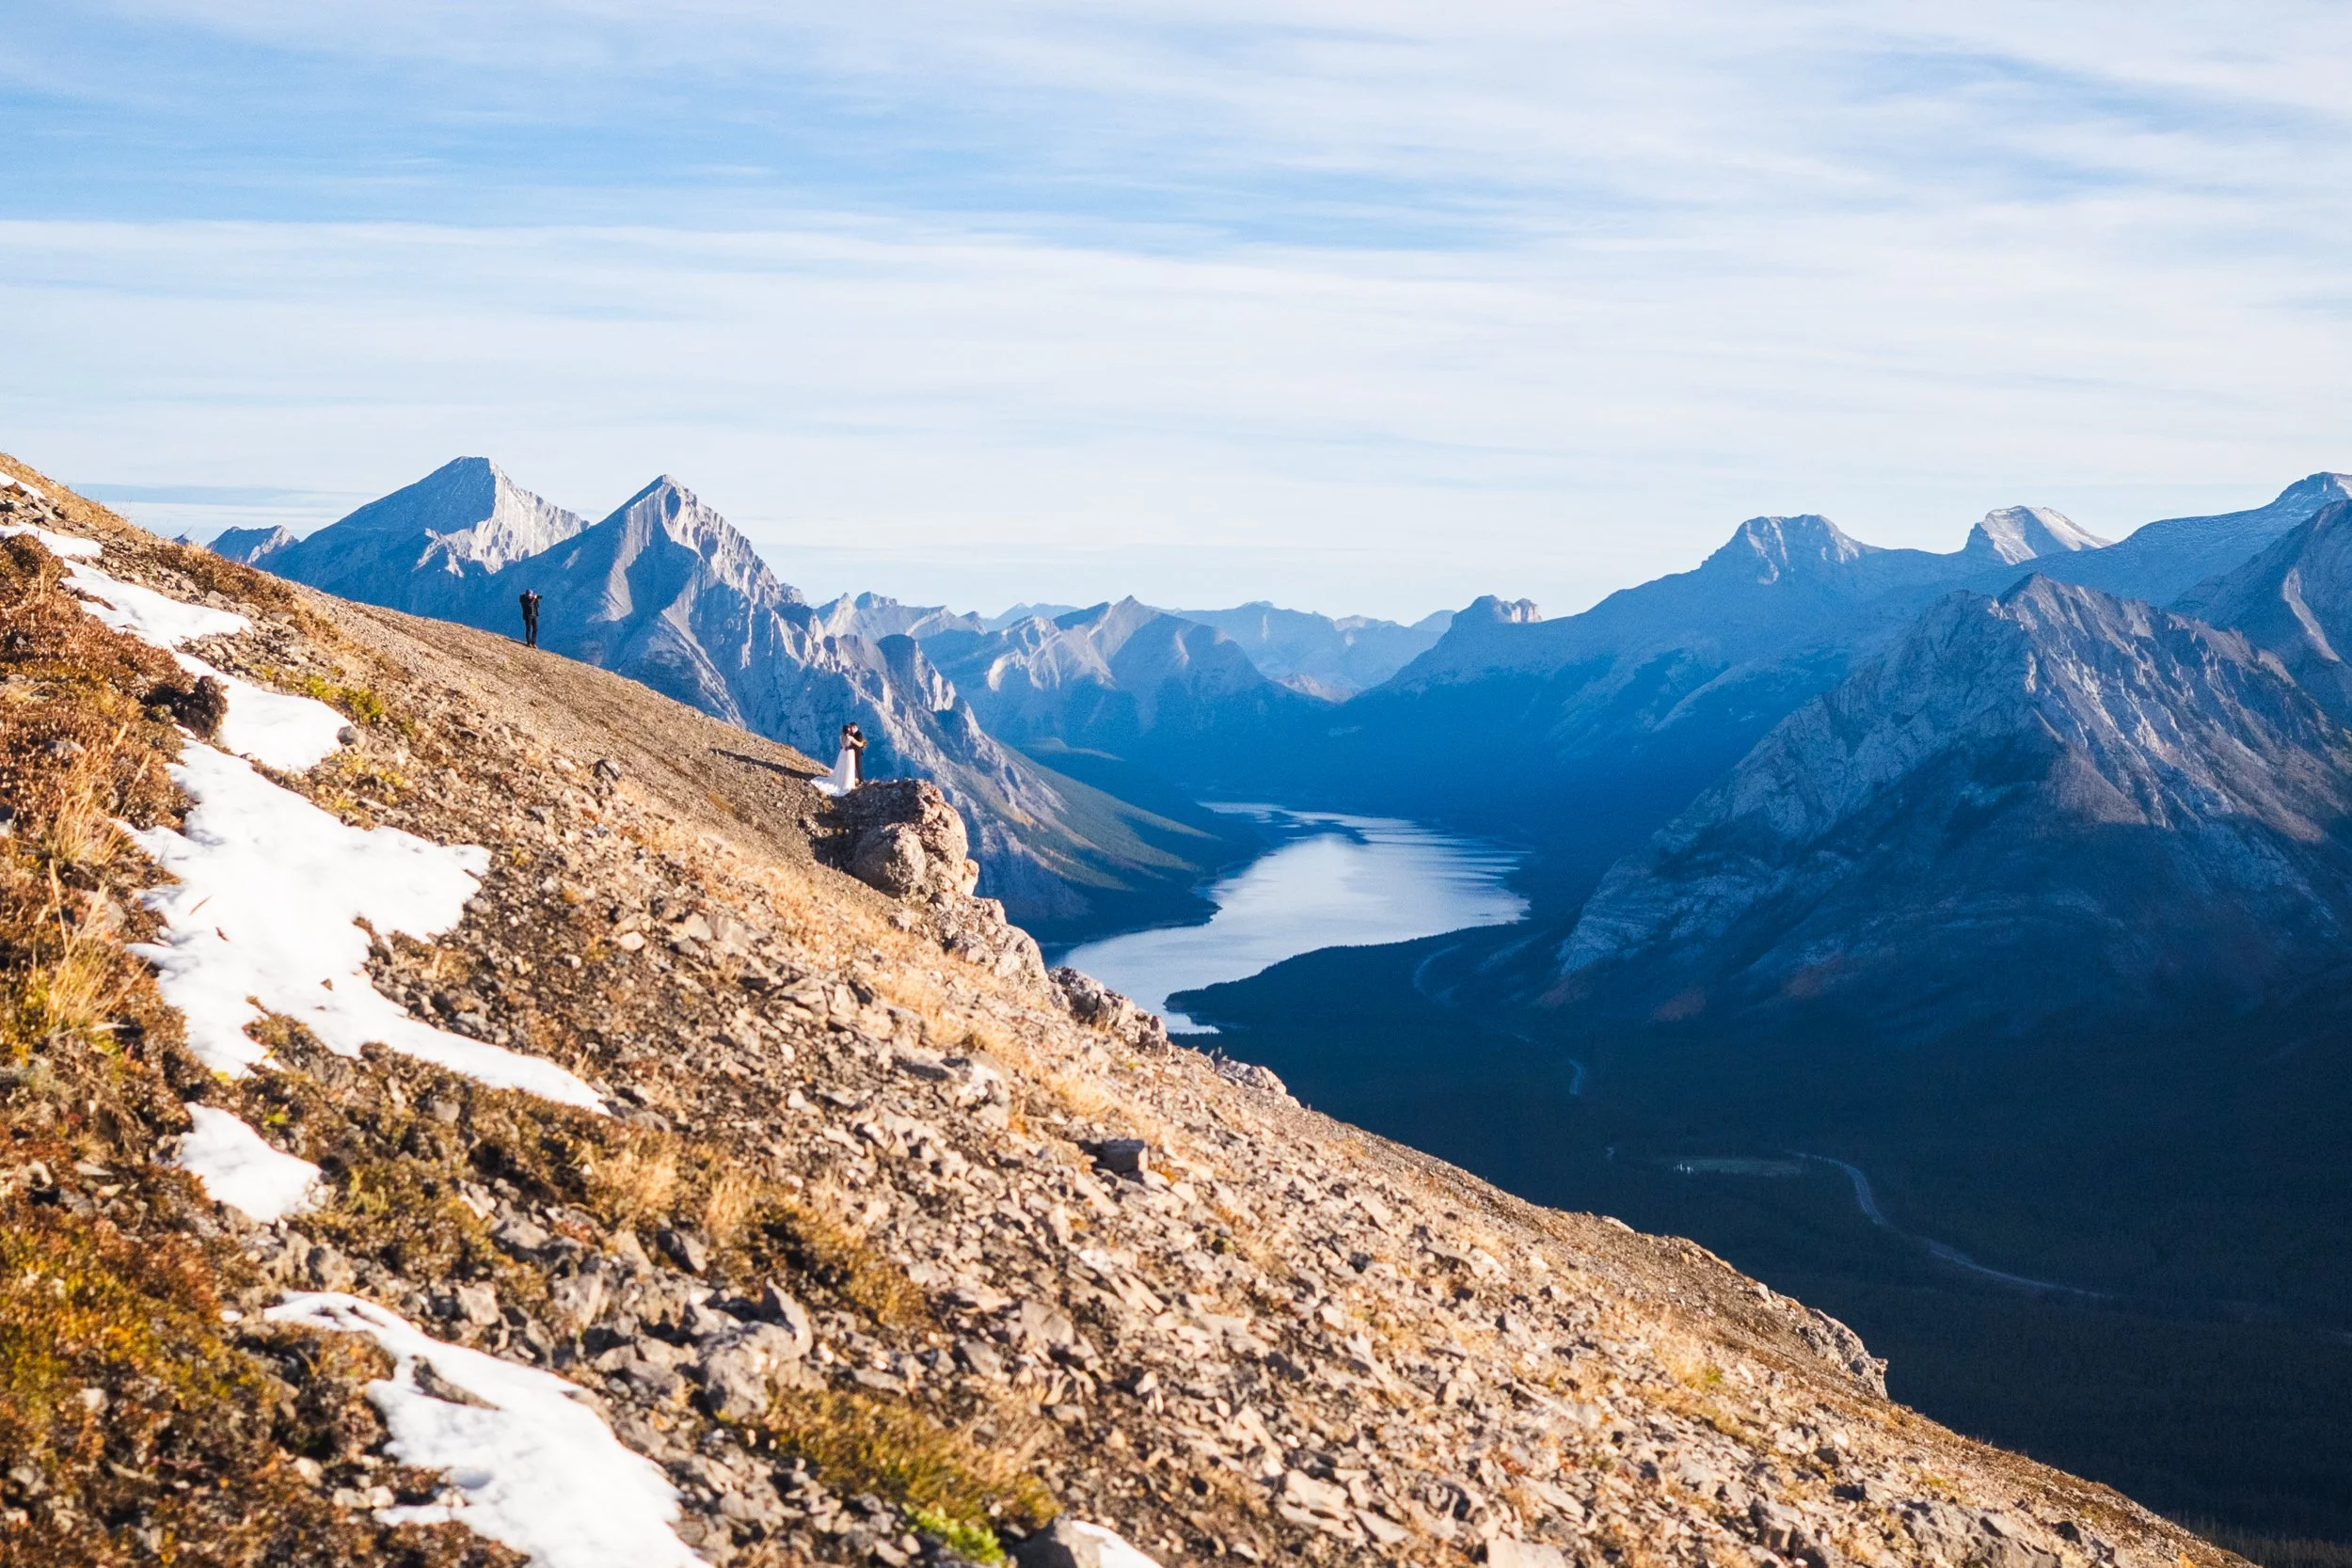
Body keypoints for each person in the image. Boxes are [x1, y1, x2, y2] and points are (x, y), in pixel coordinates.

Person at [815, 721, 866, 797]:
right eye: (849, 729)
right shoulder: (850, 737)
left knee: (843, 766)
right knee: (850, 767)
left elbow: (843, 746)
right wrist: (862, 744)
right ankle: (850, 781)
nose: (850, 730)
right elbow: (859, 744)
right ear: (848, 730)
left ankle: (842, 779)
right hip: (849, 754)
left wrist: (846, 747)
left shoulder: (841, 737)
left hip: (843, 753)